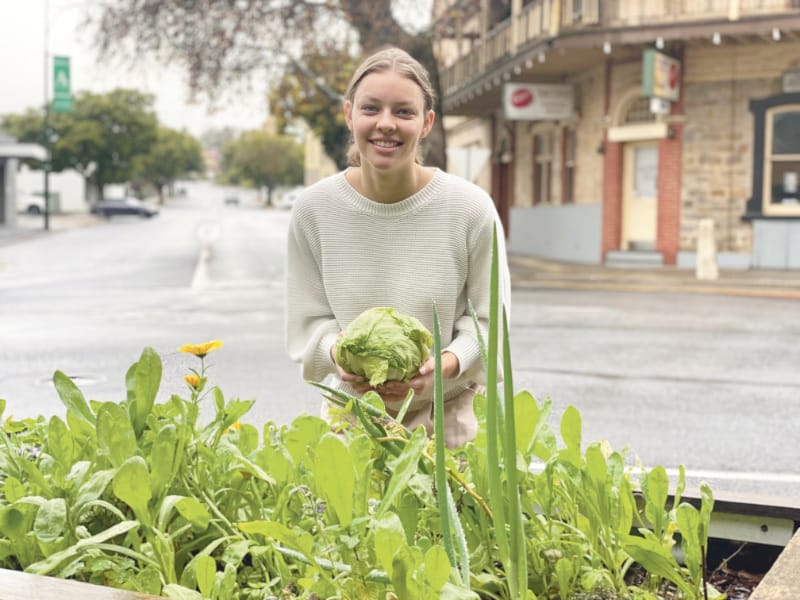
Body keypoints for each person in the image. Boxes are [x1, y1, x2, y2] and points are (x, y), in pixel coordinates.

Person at [285, 46, 510, 448]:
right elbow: (308, 322)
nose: (385, 124)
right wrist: (338, 354)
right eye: (371, 109)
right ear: (349, 114)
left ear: (426, 124)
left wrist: (443, 366)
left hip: (448, 422)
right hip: (352, 419)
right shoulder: (314, 210)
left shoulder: (470, 208)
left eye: (403, 112)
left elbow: (490, 323)